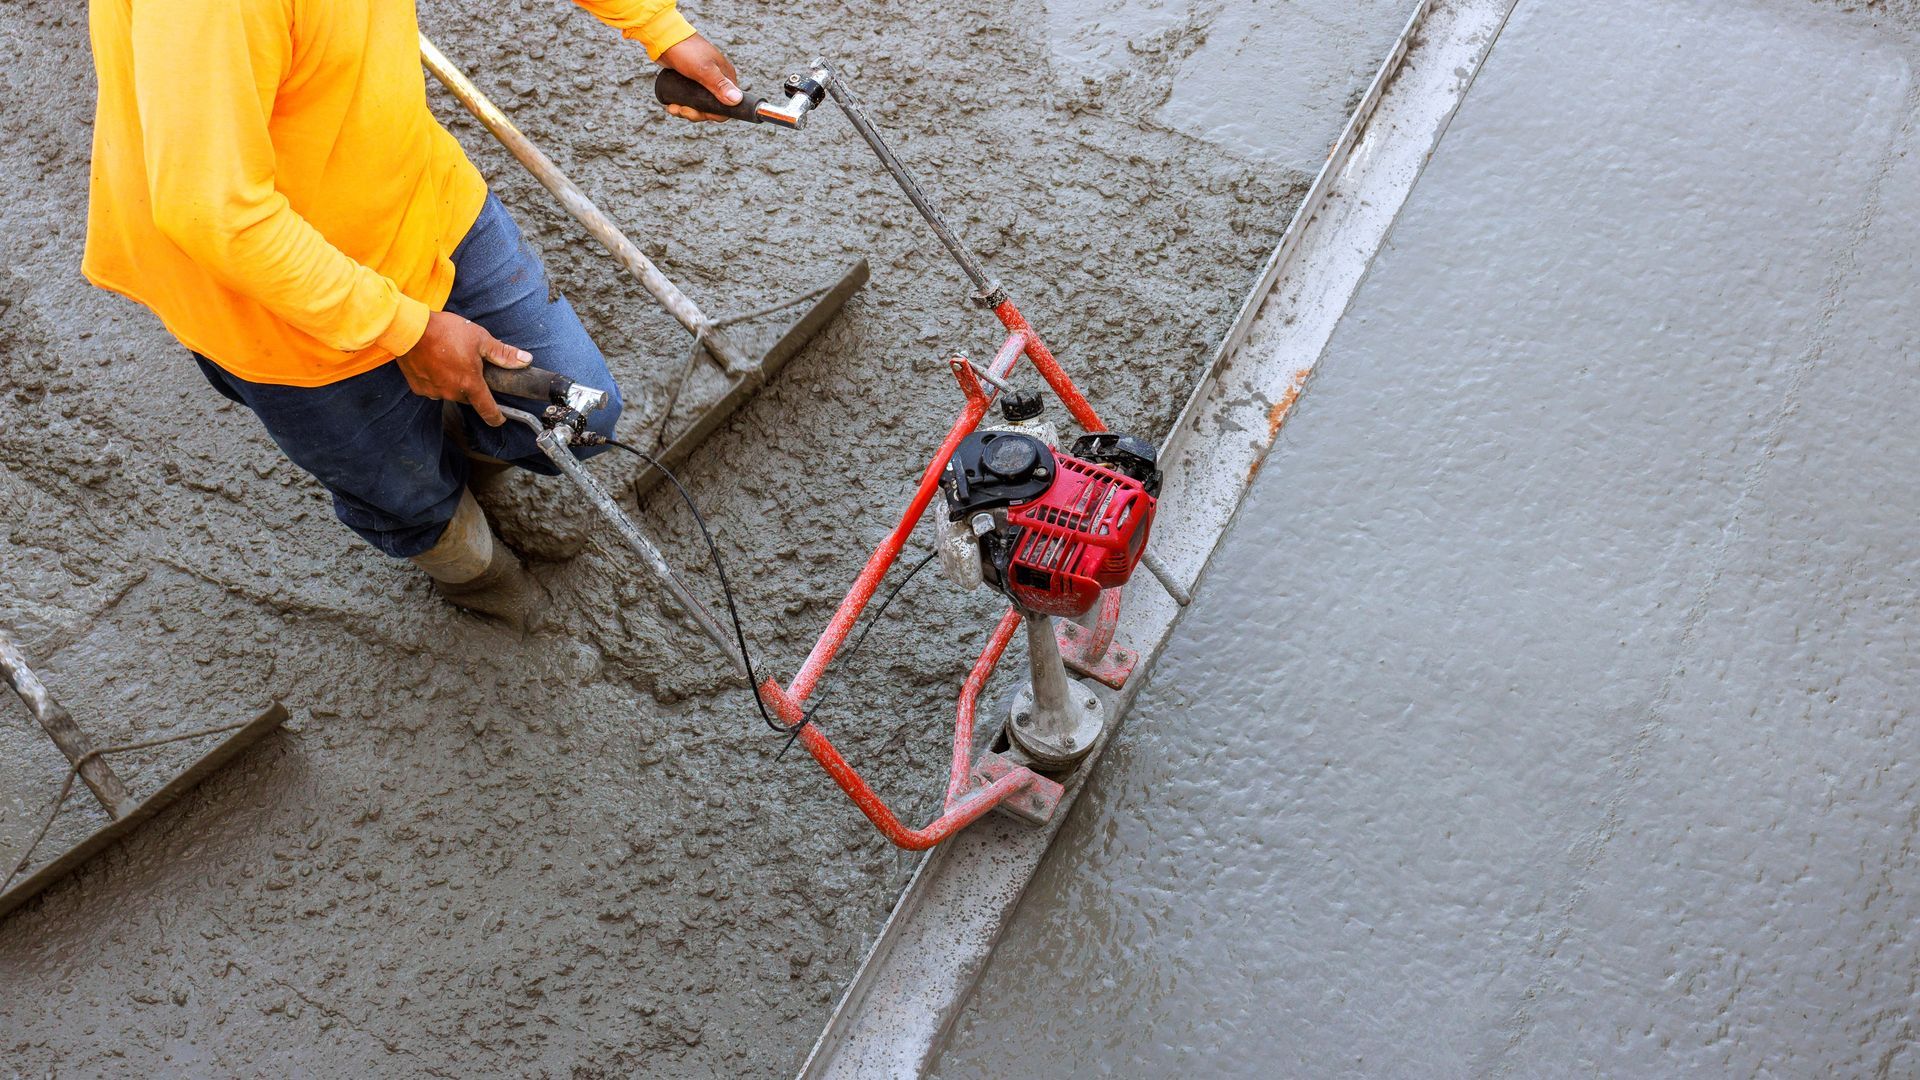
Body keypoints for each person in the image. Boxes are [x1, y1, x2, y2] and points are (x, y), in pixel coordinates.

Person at [82, 0, 744, 630]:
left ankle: (464, 439)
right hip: (268, 300)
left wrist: (660, 26)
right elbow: (213, 215)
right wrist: (405, 329)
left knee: (583, 417)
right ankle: (473, 570)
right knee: (410, 498)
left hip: (415, 194)